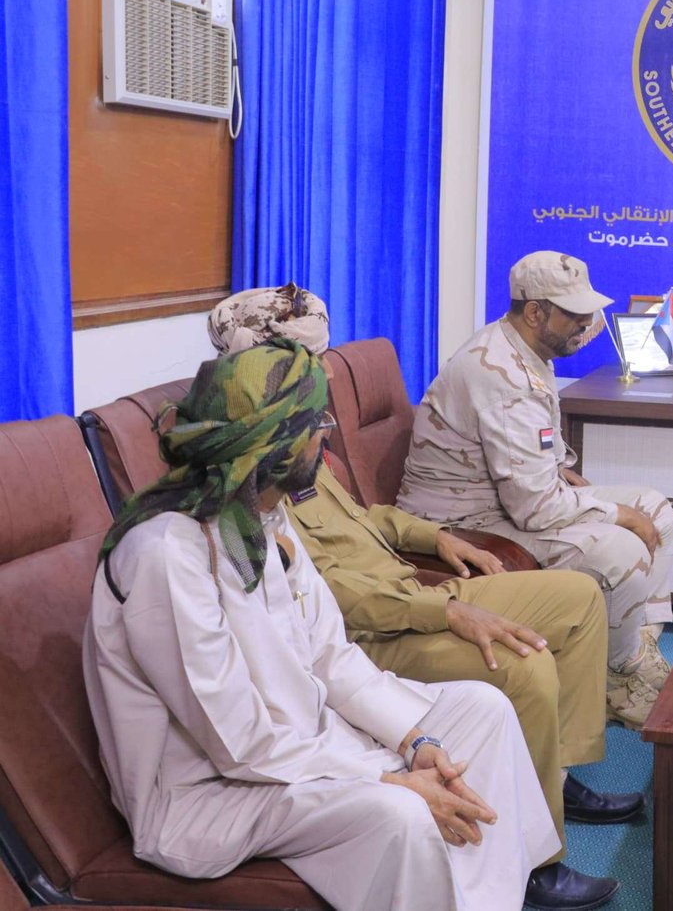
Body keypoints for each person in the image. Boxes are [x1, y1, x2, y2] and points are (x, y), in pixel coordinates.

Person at [83, 340, 609, 911]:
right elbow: (237, 741)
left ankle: (486, 899)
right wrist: (383, 777)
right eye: (318, 424)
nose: (326, 436)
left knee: (484, 711)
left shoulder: (264, 516)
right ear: (278, 444)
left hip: (301, 747)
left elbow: (331, 658)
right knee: (402, 811)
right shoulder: (167, 552)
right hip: (212, 794)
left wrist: (414, 742)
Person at [206, 290, 642, 889]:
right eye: (310, 364)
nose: (325, 377)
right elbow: (329, 601)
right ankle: (539, 866)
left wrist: (436, 537)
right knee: (524, 666)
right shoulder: (248, 483)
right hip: (381, 626)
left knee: (577, 597)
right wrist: (445, 608)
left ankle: (555, 774)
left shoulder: (300, 448)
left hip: (406, 584)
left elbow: (361, 517)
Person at [397, 253, 673, 723]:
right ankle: (617, 679)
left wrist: (566, 472)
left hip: (507, 500)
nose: (586, 323)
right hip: (465, 524)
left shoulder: (523, 348)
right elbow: (535, 510)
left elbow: (533, 455)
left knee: (655, 509)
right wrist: (618, 515)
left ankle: (631, 653)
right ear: (534, 312)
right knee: (623, 549)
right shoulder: (503, 376)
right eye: (575, 314)